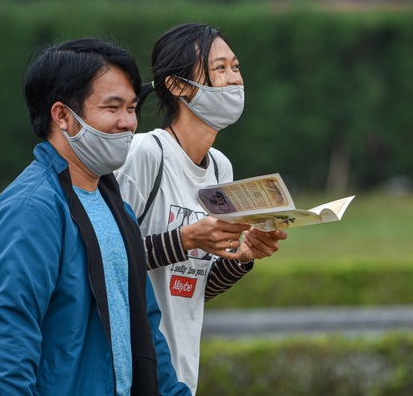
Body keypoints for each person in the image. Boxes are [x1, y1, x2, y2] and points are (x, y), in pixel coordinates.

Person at [0, 38, 190, 396]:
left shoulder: (114, 203)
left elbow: (146, 329)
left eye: (132, 108)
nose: (127, 123)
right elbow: (7, 349)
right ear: (62, 116)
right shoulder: (30, 212)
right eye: (113, 107)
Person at [114, 23, 288, 394]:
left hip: (181, 373)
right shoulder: (146, 154)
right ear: (177, 86)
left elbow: (192, 285)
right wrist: (186, 238)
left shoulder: (221, 168)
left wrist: (241, 257)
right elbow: (104, 261)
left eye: (236, 67)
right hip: (131, 373)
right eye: (219, 68)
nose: (233, 80)